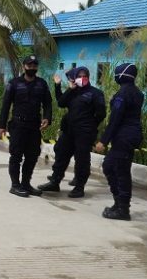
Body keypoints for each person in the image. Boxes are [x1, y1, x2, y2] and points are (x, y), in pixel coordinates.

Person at [38, 67, 106, 198]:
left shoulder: (96, 93)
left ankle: (79, 187)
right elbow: (61, 103)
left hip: (84, 132)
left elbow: (101, 114)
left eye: (85, 75)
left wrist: (90, 125)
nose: (82, 77)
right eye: (79, 75)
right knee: (61, 154)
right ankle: (55, 182)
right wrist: (69, 88)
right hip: (69, 130)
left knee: (82, 160)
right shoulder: (73, 92)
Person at [0, 55, 53, 198]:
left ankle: (26, 184)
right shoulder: (14, 83)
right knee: (16, 155)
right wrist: (1, 125)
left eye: (35, 65)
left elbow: (47, 103)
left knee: (32, 156)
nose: (32, 68)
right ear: (24, 66)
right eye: (29, 65)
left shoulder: (42, 84)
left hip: (34, 126)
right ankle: (15, 185)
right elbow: (5, 105)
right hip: (18, 125)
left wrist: (47, 117)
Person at [95, 63, 144, 221]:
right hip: (130, 135)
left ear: (121, 75)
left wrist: (103, 141)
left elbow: (115, 120)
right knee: (111, 166)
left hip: (124, 136)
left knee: (119, 170)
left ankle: (123, 209)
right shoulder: (137, 93)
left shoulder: (122, 94)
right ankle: (119, 203)